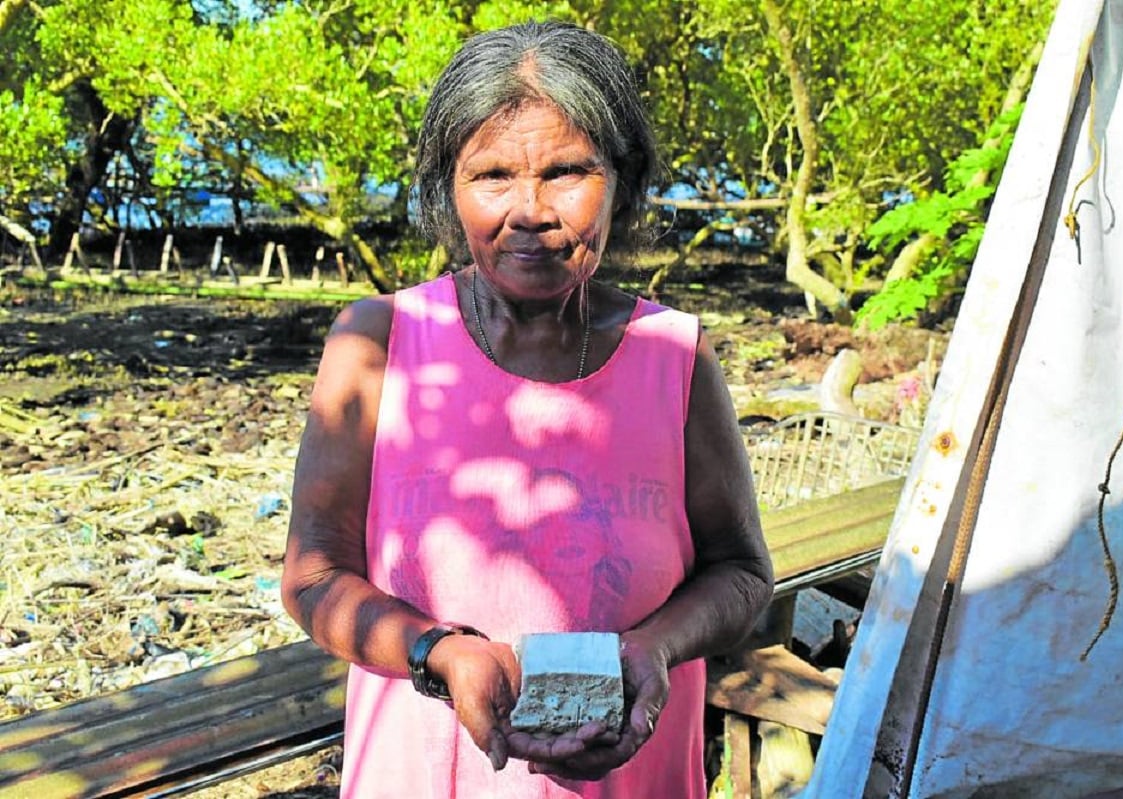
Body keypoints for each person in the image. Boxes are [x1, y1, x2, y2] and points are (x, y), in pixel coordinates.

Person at [281, 20, 773, 799]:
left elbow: (743, 573)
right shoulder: (378, 343)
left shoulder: (676, 357)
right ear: (449, 187)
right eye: (492, 176)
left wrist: (651, 648)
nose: (529, 210)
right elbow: (313, 576)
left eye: (568, 171)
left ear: (624, 176)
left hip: (635, 776)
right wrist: (440, 653)